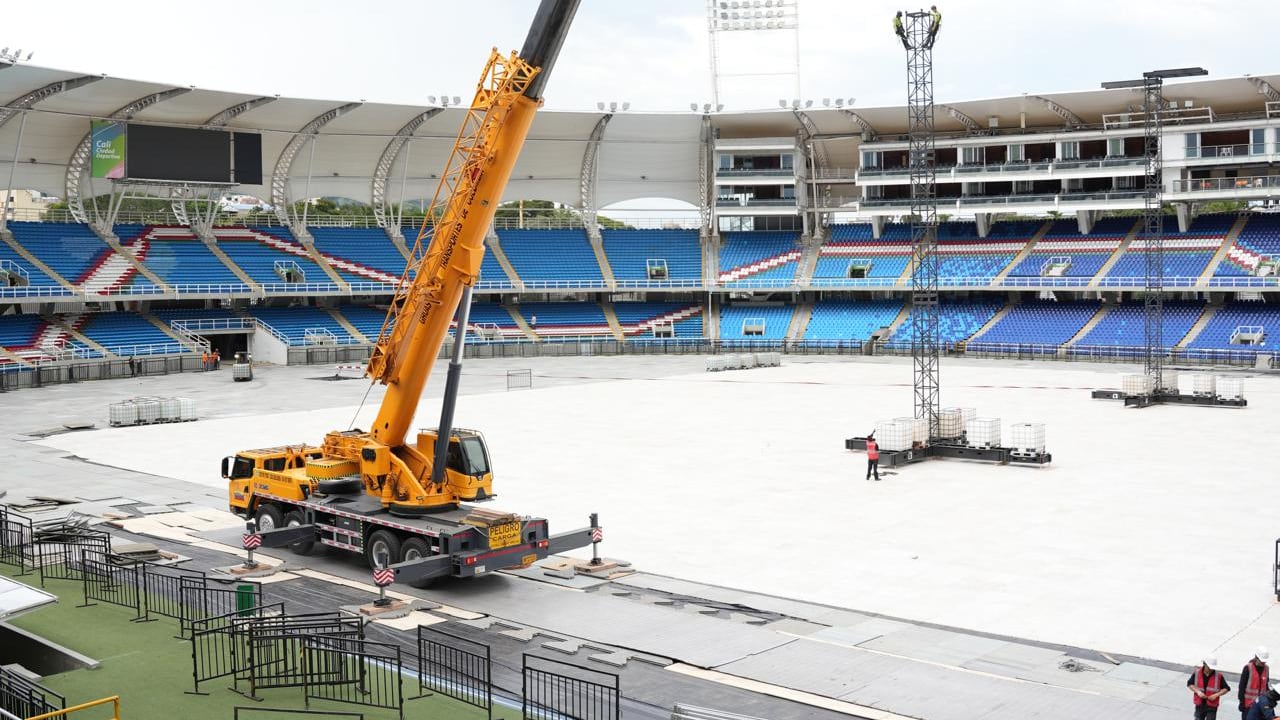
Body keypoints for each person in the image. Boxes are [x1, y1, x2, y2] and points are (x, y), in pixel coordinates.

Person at [1241, 649, 1272, 719]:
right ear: (1256, 658)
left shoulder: (1266, 669)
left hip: (1261, 705)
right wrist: (1241, 702)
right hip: (1248, 705)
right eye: (1262, 661)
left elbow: (1266, 686)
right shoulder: (1248, 668)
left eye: (1264, 661)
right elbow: (1242, 687)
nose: (1263, 663)